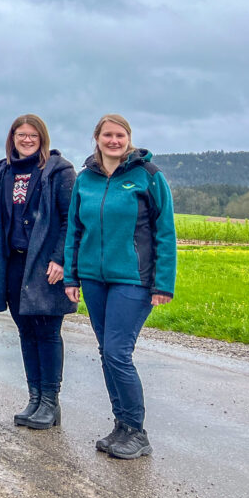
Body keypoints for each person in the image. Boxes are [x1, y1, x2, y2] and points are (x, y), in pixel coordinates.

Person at [64, 114, 176, 459]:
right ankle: (122, 426)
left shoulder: (148, 177)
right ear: (96, 138)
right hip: (95, 280)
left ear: (129, 138)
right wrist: (72, 276)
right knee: (105, 352)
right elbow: (74, 231)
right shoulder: (85, 180)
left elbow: (165, 233)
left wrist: (163, 284)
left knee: (117, 352)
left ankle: (137, 431)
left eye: (120, 135)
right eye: (108, 135)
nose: (114, 140)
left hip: (134, 280)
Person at [0, 115, 76, 430]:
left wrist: (60, 259)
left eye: (33, 134)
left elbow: (71, 220)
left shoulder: (58, 172)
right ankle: (35, 398)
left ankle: (51, 402)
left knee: (48, 333)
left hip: (45, 265)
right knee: (26, 332)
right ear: (12, 137)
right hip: (13, 263)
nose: (27, 139)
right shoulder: (0, 173)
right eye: (21, 134)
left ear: (42, 137)